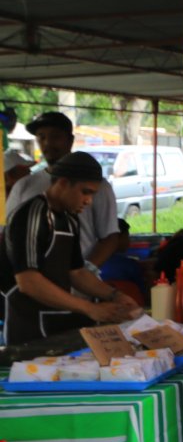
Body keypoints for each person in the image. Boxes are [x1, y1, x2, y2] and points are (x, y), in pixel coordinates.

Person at [0, 152, 140, 345]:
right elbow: (28, 281)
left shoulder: (70, 219)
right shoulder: (31, 215)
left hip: (58, 323)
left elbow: (77, 273)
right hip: (28, 329)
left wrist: (115, 295)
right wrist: (89, 308)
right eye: (86, 192)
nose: (89, 201)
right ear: (63, 183)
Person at [6, 112, 119, 269]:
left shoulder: (98, 186)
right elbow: (7, 234)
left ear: (70, 140)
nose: (47, 143)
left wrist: (88, 269)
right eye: (41, 137)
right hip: (34, 280)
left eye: (55, 136)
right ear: (61, 184)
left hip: (78, 283)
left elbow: (110, 236)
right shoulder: (25, 188)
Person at [98, 218, 149, 304]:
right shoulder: (130, 266)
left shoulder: (94, 264)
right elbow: (143, 293)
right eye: (127, 236)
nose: (129, 241)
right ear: (116, 238)